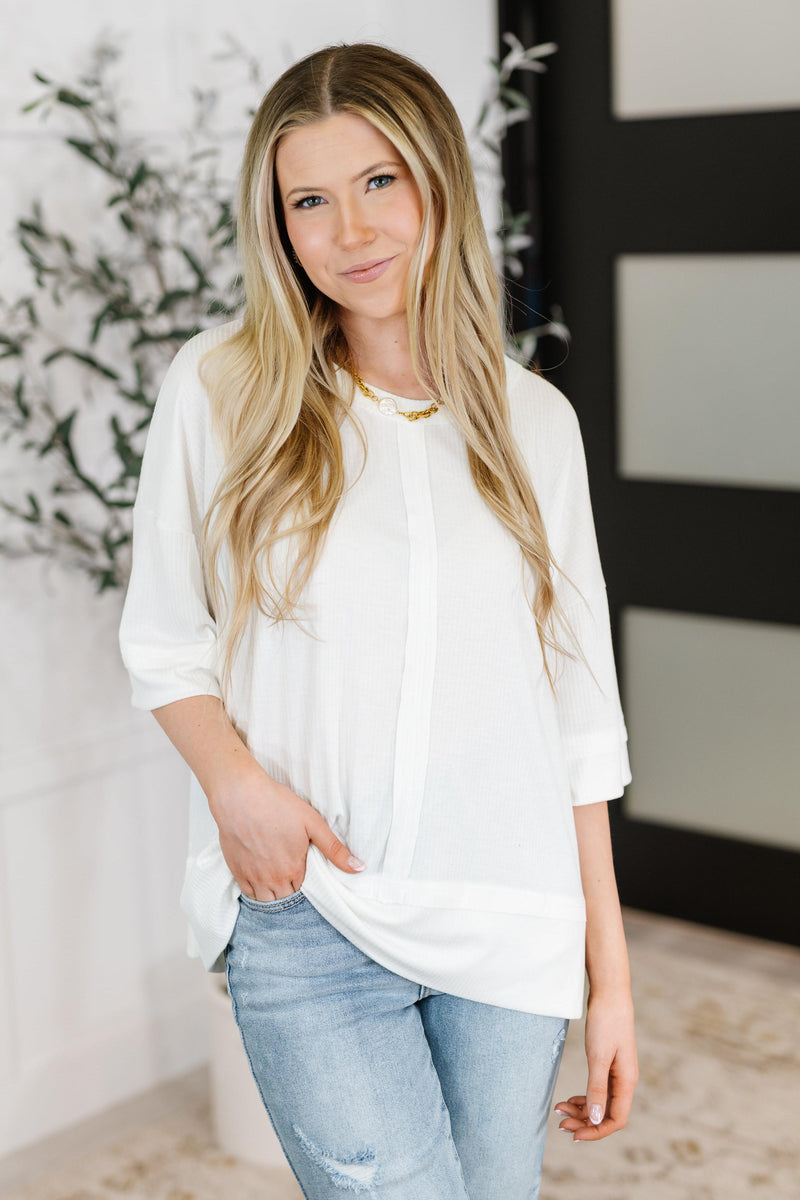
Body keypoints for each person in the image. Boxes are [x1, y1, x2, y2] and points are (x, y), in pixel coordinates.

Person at [119, 40, 639, 1200]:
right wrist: (239, 795)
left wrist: (608, 982)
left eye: (377, 182)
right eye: (308, 200)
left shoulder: (533, 423)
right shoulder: (221, 388)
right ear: (275, 223)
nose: (348, 231)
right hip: (311, 910)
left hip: (507, 921)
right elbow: (162, 641)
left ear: (437, 182)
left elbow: (576, 721)